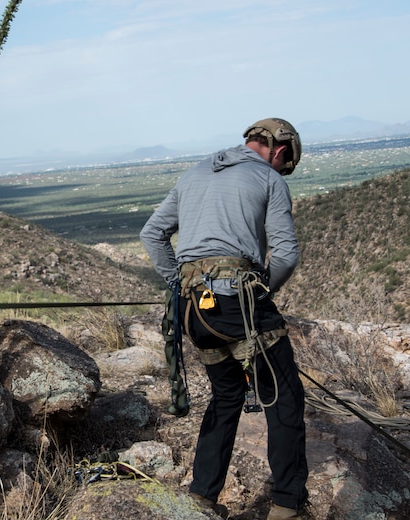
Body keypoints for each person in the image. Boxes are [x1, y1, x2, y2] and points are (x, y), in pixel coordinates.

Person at [139, 118, 309, 519]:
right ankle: (287, 506)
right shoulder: (269, 180)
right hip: (239, 305)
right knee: (284, 397)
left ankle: (202, 495)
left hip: (194, 311)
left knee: (227, 395)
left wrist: (181, 284)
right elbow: (285, 255)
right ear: (281, 152)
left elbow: (152, 234)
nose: (281, 170)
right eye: (284, 164)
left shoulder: (194, 173)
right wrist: (260, 290)